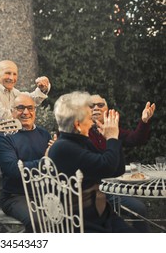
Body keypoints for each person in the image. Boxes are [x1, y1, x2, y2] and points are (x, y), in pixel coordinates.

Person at [48, 91, 136, 233]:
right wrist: (112, 138)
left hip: (100, 213)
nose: (92, 123)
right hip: (81, 222)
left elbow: (116, 170)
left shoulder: (79, 142)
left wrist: (114, 138)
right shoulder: (64, 147)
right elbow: (107, 166)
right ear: (78, 124)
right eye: (89, 119)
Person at [0, 60, 51, 192]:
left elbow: (30, 99)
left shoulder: (13, 92)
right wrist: (23, 111)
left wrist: (42, 88)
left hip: (14, 148)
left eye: (14, 74)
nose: (11, 78)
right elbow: (2, 117)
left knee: (17, 186)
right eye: (7, 73)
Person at [88, 94, 156, 232]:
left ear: (107, 109)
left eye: (100, 105)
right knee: (136, 209)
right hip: (93, 191)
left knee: (139, 208)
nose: (96, 108)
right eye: (91, 105)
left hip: (114, 187)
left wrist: (144, 121)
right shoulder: (80, 131)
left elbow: (135, 139)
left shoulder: (113, 129)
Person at [0, 93, 51, 232]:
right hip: (16, 196)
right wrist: (46, 161)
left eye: (30, 108)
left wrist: (58, 153)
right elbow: (13, 170)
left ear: (35, 111)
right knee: (39, 222)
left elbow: (55, 167)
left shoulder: (44, 134)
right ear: (12, 111)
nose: (26, 112)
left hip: (45, 194)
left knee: (75, 213)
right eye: (20, 108)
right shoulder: (4, 137)